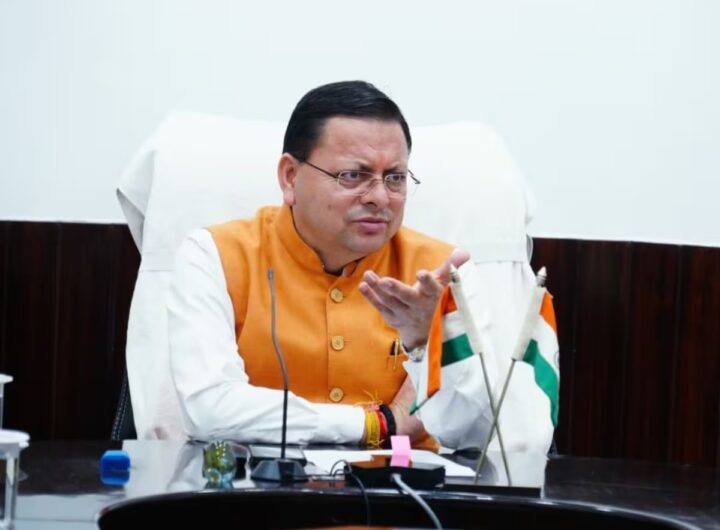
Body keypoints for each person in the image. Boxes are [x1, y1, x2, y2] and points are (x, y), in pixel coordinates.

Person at [168, 81, 519, 449]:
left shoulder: (441, 272)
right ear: (290, 176)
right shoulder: (215, 255)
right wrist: (381, 423)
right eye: (353, 175)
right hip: (257, 482)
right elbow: (209, 409)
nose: (380, 197)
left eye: (395, 178)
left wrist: (424, 345)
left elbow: (475, 436)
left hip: (403, 484)